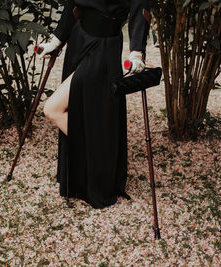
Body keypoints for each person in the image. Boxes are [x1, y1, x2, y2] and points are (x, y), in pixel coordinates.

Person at [38, 0, 151, 209]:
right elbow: (72, 5)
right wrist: (55, 40)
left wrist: (137, 52)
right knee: (81, 109)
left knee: (52, 109)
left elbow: (140, 10)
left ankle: (101, 163)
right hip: (78, 41)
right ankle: (96, 162)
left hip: (103, 48)